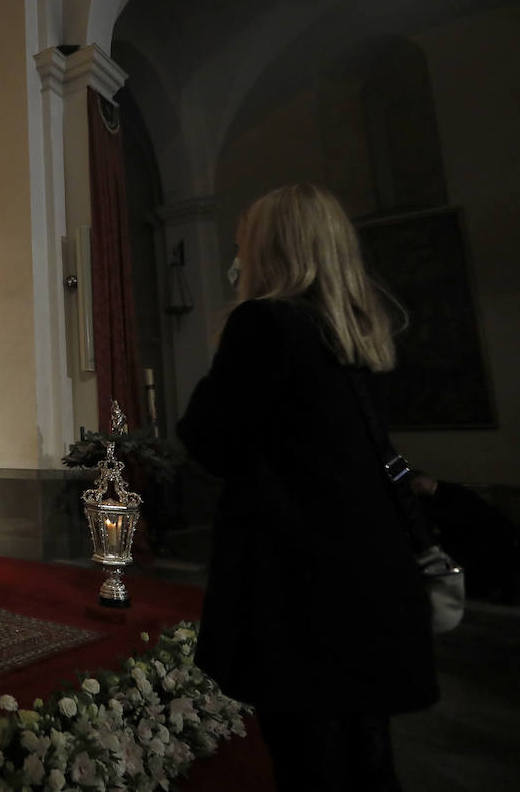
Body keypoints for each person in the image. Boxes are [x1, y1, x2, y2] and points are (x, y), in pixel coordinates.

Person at [177, 184, 437, 792]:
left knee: (310, 762)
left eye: (243, 245)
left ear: (273, 250)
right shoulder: (356, 337)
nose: (236, 257)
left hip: (303, 588)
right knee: (367, 759)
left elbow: (206, 438)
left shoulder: (265, 323)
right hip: (371, 580)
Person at [409, 471, 520, 603]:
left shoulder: (449, 495)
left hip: (488, 533)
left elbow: (456, 520)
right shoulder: (445, 492)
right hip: (478, 533)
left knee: (492, 566)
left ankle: (497, 593)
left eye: (415, 488)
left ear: (420, 484)